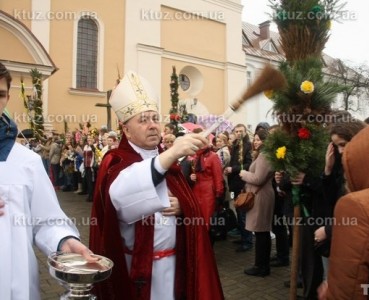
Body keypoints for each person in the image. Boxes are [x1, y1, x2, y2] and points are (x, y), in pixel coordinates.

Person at [89, 71, 224, 299]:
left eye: (155, 118)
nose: (153, 125)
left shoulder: (167, 159)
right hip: (134, 268)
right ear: (125, 129)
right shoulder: (115, 160)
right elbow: (121, 199)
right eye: (143, 120)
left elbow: (190, 205)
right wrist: (173, 153)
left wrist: (184, 207)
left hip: (174, 264)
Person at [0, 62, 96, 300]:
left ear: (7, 97)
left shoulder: (26, 161)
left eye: (0, 95)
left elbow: (46, 220)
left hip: (15, 287)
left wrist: (64, 241)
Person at [318, 120, 369, 299]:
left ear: (361, 144)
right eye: (336, 146)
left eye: (343, 145)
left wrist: (332, 291)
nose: (341, 151)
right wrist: (328, 170)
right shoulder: (341, 167)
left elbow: (348, 286)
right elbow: (331, 199)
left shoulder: (357, 204)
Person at [240, 129, 275, 277]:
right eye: (254, 139)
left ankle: (261, 266)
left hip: (261, 195)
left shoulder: (265, 155)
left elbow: (259, 178)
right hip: (260, 194)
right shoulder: (263, 154)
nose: (255, 142)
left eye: (259, 139)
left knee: (261, 232)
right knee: (261, 231)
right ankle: (261, 265)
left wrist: (244, 174)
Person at [225, 123, 253, 252]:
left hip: (242, 184)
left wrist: (233, 169)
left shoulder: (248, 146)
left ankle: (247, 241)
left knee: (243, 214)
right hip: (234, 184)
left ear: (245, 132)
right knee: (238, 211)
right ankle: (243, 236)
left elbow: (248, 164)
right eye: (236, 131)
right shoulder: (235, 146)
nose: (238, 133)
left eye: (241, 131)